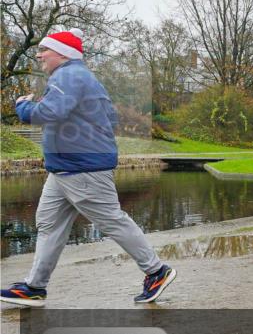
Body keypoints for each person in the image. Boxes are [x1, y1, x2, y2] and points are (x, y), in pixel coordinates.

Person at [1, 28, 176, 307]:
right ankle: (34, 287)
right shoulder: (79, 77)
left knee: (111, 221)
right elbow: (106, 115)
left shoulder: (68, 75)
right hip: (65, 168)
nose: (39, 55)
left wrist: (23, 106)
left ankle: (156, 271)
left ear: (62, 53)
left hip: (82, 167)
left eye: (44, 50)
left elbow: (49, 113)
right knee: (49, 225)